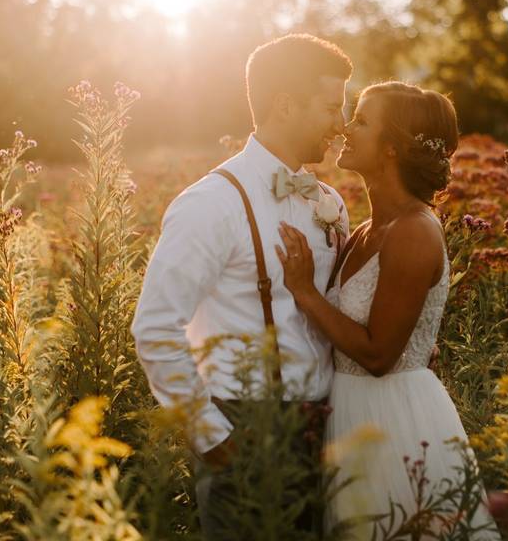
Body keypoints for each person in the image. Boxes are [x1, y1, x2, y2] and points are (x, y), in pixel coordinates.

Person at [130, 33, 352, 538]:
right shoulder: (210, 203)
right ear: (284, 105)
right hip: (245, 430)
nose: (341, 124)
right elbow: (156, 326)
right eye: (330, 107)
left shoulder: (331, 203)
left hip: (327, 428)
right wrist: (210, 435)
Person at [276, 81, 499, 539]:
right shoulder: (361, 231)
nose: (344, 129)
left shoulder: (414, 231)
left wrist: (305, 291)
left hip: (395, 420)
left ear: (393, 148)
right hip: (348, 412)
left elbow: (379, 356)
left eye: (361, 120)